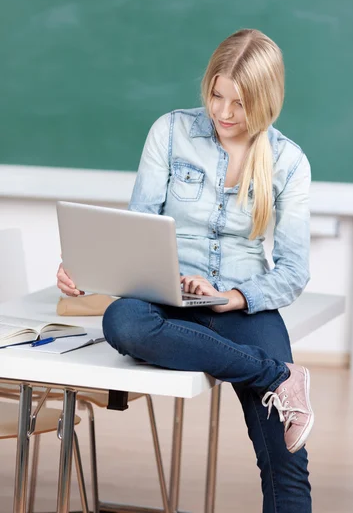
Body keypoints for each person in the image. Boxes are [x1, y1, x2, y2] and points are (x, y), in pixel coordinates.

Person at [57, 28, 313, 512]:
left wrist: (228, 296)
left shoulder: (288, 162)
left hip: (239, 303)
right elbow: (137, 227)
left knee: (284, 456)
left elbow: (294, 271)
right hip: (164, 296)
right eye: (216, 95)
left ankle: (274, 376)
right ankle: (278, 375)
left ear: (266, 100)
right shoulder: (170, 131)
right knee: (122, 321)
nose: (223, 113)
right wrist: (88, 270)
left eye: (238, 103)